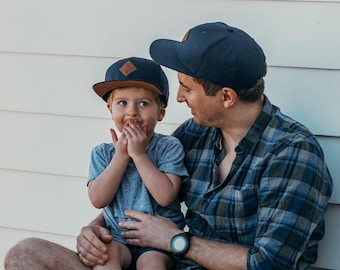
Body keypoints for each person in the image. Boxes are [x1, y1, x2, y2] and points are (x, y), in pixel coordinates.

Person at [4, 22, 333, 270]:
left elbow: (269, 262)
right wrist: (96, 230)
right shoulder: (196, 133)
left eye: (187, 89)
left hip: (171, 259)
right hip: (165, 261)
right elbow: (140, 185)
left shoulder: (293, 154)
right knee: (25, 255)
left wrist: (176, 242)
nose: (178, 98)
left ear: (227, 97)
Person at [88, 57, 188, 270]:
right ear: (110, 109)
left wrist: (140, 156)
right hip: (117, 237)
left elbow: (166, 196)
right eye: (122, 103)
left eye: (143, 103)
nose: (132, 111)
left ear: (161, 112)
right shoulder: (103, 153)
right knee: (105, 257)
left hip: (158, 243)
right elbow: (98, 199)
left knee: (151, 263)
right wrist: (122, 156)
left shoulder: (169, 147)